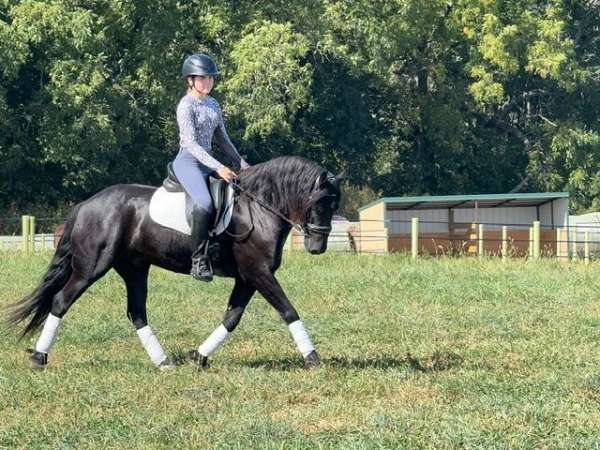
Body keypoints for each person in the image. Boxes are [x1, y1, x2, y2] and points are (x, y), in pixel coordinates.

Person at [172, 53, 249, 282]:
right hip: (188, 161)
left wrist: (241, 163)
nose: (208, 82)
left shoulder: (213, 103)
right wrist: (219, 167)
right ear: (190, 80)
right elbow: (191, 144)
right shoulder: (185, 106)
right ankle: (198, 261)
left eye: (211, 78)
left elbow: (222, 138)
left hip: (208, 162)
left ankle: (219, 249)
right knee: (205, 204)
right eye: (202, 78)